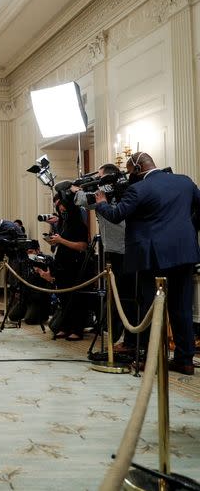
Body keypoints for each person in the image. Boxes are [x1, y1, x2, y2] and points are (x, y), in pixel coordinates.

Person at [95, 152, 200, 375]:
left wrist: (101, 204)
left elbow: (117, 215)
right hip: (184, 252)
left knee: (149, 307)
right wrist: (188, 228)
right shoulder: (184, 182)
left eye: (130, 171)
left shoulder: (139, 189)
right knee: (182, 307)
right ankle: (185, 360)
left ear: (137, 167)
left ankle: (147, 358)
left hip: (152, 256)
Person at [71, 164, 136, 350]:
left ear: (107, 177)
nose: (97, 181)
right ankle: (124, 338)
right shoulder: (125, 189)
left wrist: (78, 189)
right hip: (126, 248)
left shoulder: (107, 189)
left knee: (122, 297)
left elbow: (83, 201)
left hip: (118, 250)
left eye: (99, 177)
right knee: (124, 296)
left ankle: (126, 340)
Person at [35, 182, 91, 341]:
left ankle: (76, 329)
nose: (59, 209)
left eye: (61, 205)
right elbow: (62, 240)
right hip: (63, 264)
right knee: (63, 298)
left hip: (75, 264)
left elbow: (82, 246)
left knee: (76, 299)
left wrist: (61, 240)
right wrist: (55, 241)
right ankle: (65, 327)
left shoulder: (78, 224)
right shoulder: (63, 223)